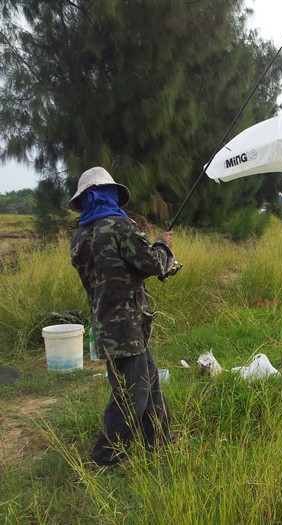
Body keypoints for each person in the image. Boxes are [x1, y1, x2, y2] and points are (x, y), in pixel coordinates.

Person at [69, 166, 177, 469]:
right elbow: (154, 265)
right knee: (132, 394)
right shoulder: (119, 226)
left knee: (149, 380)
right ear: (108, 194)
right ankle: (107, 457)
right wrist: (162, 245)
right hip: (127, 324)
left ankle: (159, 439)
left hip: (105, 322)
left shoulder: (81, 235)